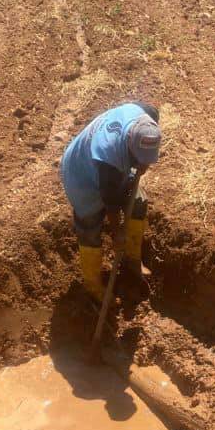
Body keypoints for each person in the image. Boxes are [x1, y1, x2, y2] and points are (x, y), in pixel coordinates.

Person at [60, 102, 162, 301]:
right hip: (81, 175)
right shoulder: (109, 157)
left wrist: (143, 163)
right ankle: (93, 287)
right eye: (139, 159)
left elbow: (145, 146)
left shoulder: (146, 119)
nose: (143, 165)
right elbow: (111, 201)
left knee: (138, 201)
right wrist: (117, 234)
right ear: (129, 142)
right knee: (89, 225)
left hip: (113, 166)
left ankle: (132, 261)